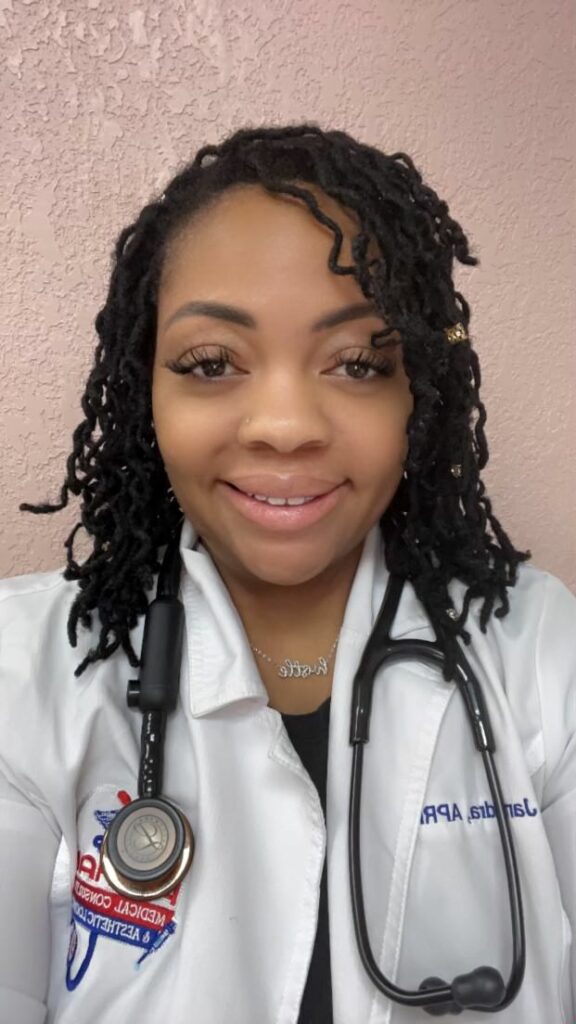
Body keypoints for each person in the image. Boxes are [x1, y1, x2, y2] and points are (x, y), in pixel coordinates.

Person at [0, 124, 574, 1024]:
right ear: (143, 386)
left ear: (417, 393)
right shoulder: (19, 674)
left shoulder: (538, 649)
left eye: (356, 363)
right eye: (212, 363)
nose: (284, 426)